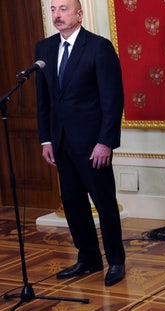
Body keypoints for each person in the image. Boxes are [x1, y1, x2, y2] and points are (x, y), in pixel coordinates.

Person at [35, 0, 126, 287]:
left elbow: (113, 99)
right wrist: (46, 139)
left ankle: (116, 261)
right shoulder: (44, 49)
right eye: (53, 10)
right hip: (60, 143)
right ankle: (88, 258)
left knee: (104, 203)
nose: (57, 15)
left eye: (63, 9)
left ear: (79, 14)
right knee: (73, 204)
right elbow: (44, 100)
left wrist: (105, 142)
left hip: (92, 145)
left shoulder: (99, 47)